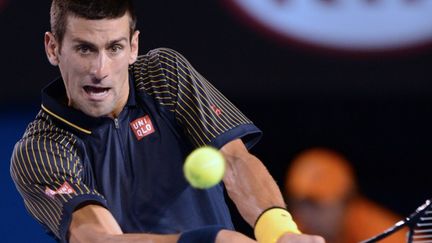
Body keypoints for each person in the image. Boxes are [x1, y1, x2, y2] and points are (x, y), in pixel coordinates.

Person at [9, 1, 325, 242]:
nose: (100, 69)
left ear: (133, 47)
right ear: (53, 48)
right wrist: (206, 240)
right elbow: (101, 239)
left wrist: (281, 232)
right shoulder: (41, 150)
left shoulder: (163, 75)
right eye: (84, 49)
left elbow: (234, 160)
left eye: (114, 48)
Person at [284, 147, 407, 243]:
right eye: (300, 204)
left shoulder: (383, 233)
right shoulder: (293, 230)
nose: (306, 214)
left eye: (316, 205)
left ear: (345, 201)